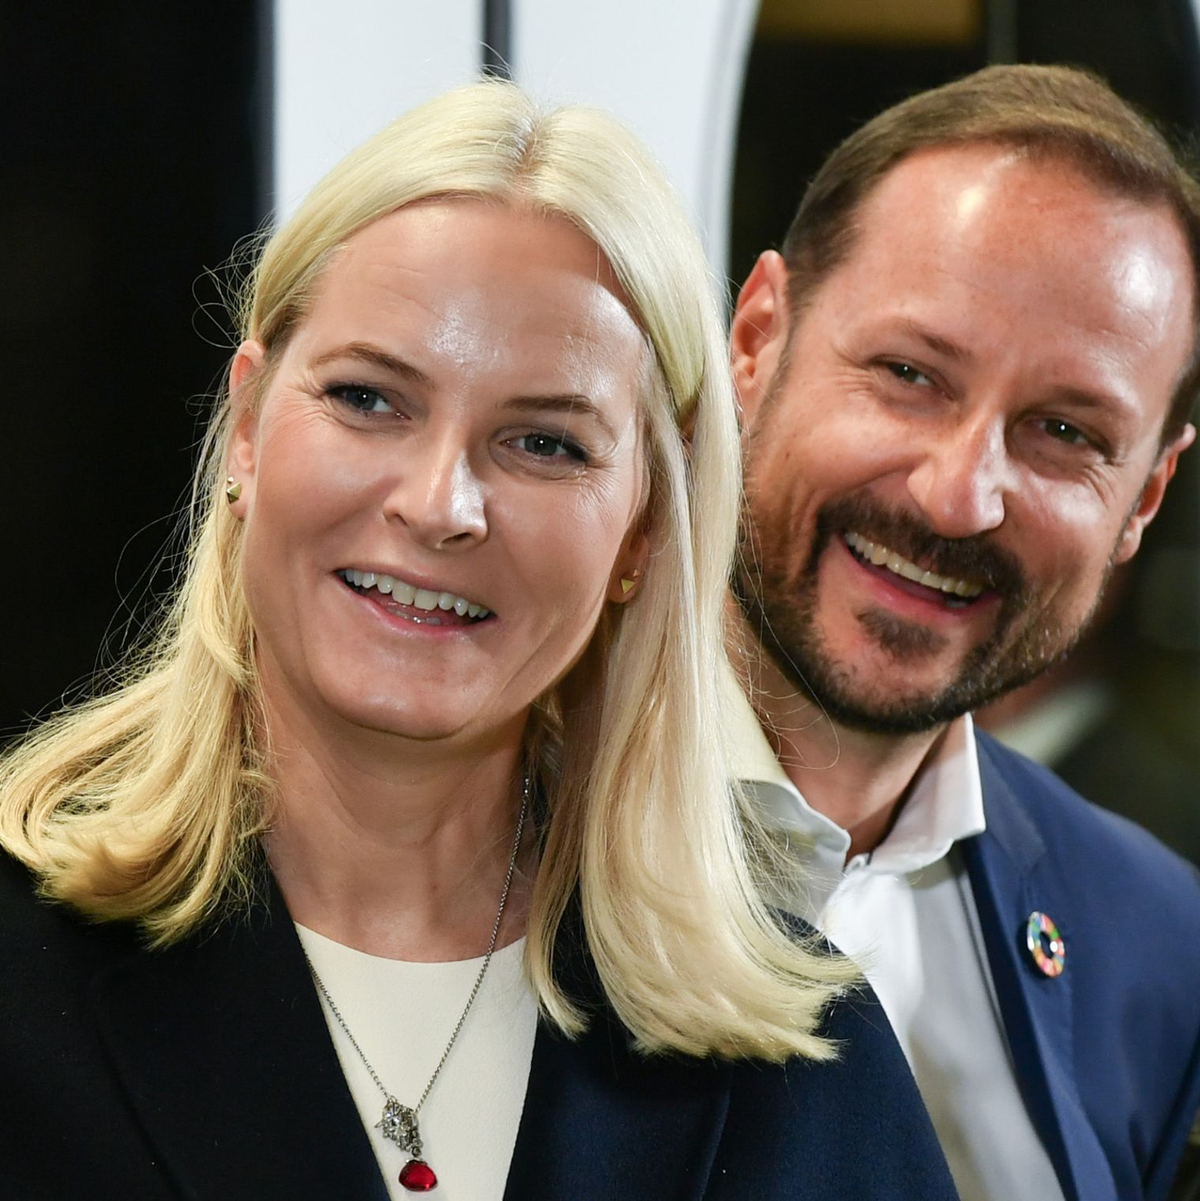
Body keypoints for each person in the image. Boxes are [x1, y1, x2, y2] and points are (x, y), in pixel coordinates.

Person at [0, 81, 959, 1200]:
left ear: (645, 526)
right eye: (368, 398)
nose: (440, 502)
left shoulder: (799, 1062)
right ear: (251, 428)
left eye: (545, 444)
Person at [728, 63, 1200, 1201]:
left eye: (1063, 431)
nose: (957, 495)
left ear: (1143, 500)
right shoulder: (450, 841)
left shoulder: (1156, 946)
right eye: (908, 375)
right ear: (755, 342)